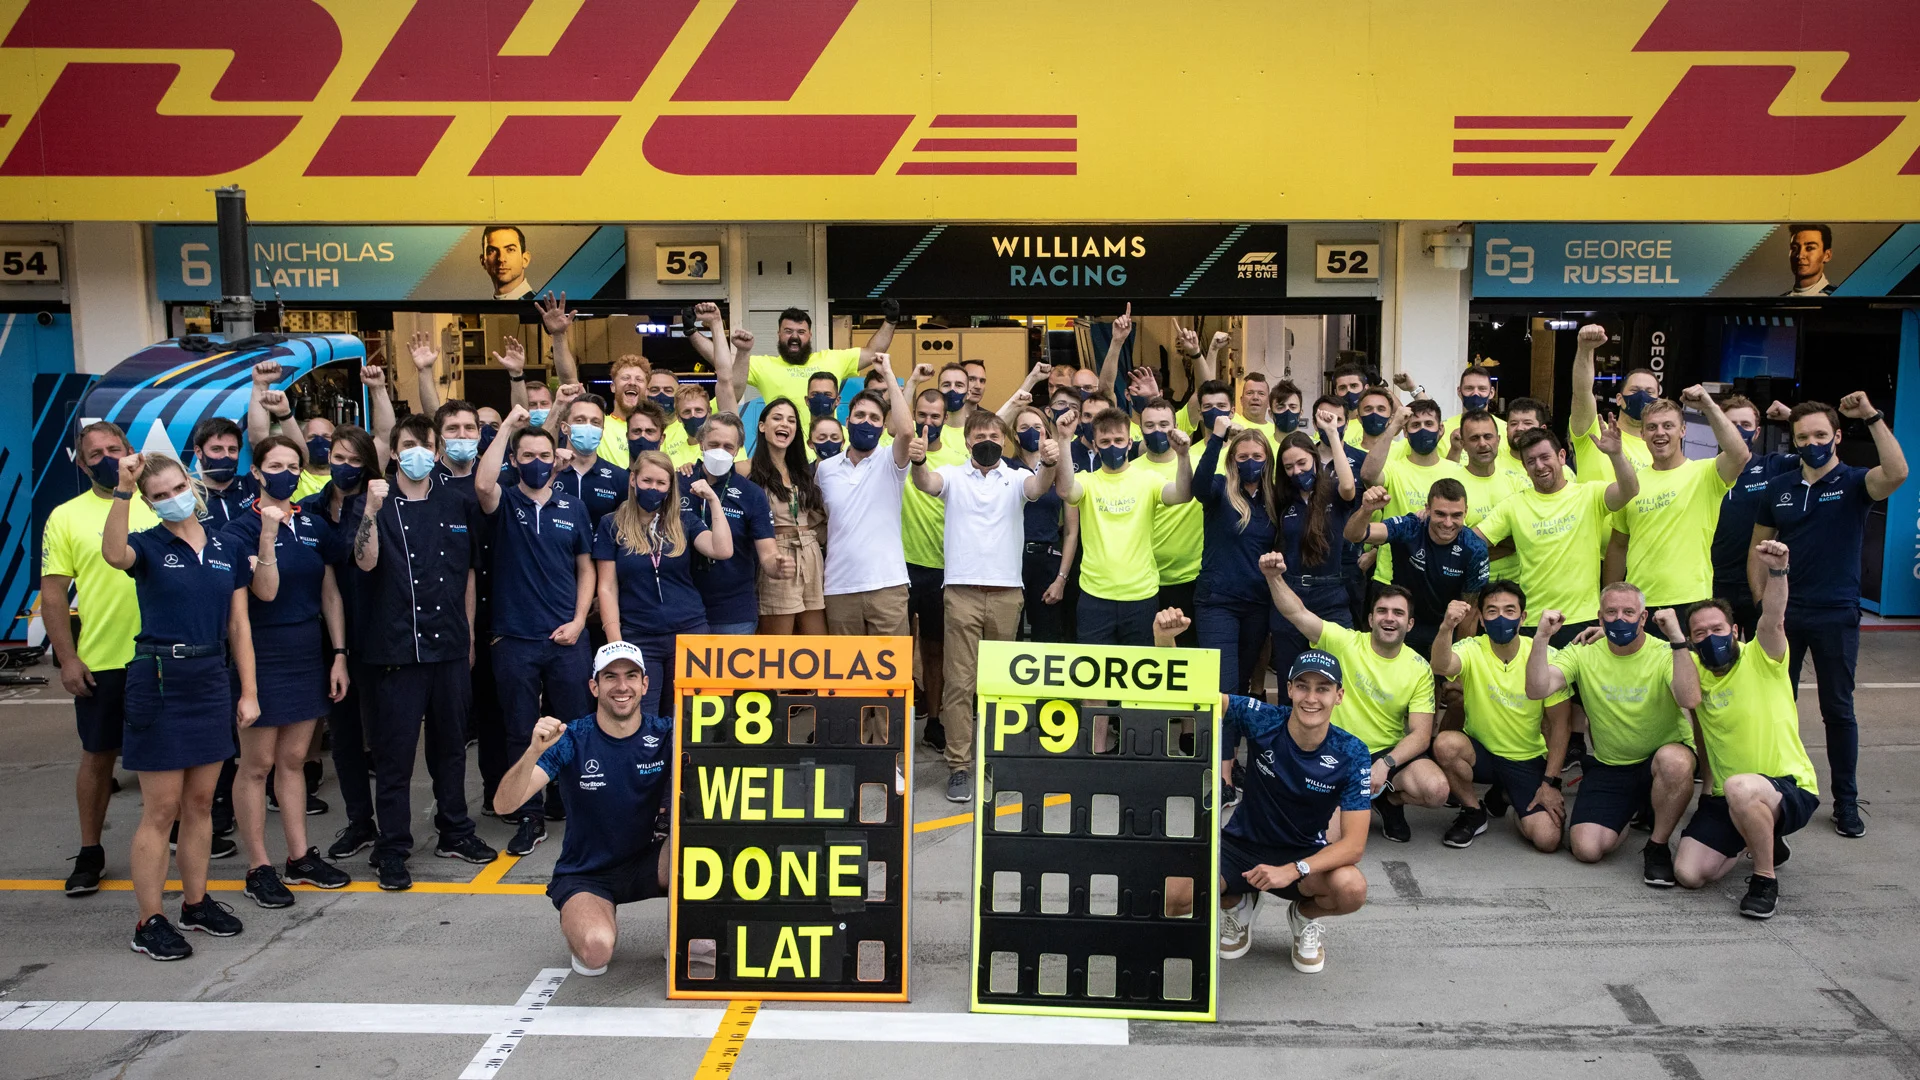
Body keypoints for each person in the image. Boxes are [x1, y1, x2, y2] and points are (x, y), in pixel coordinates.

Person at [103, 452, 256, 959]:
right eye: (159, 496)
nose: (171, 500)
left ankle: (196, 902)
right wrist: (124, 492)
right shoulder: (146, 545)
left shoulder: (225, 545)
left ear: (190, 483)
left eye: (175, 489)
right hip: (161, 677)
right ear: (148, 502)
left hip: (211, 679)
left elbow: (239, 624)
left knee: (199, 804)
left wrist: (249, 692)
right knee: (161, 809)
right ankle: (149, 920)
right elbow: (112, 555)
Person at [1160, 608, 1368, 972]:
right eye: (1302, 686)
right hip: (1242, 847)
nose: (1311, 698)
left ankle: (1303, 916)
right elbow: (1195, 696)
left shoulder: (1352, 752)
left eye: (1323, 688)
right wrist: (1165, 640)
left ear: (1339, 696)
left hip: (1304, 858)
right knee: (1175, 895)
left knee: (1351, 888)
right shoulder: (1262, 718)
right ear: (1288, 689)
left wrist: (1294, 869)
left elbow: (1354, 845)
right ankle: (1237, 903)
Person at [1749, 393, 1907, 838]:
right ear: (1793, 442)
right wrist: (1763, 605)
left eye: (1821, 434)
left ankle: (1847, 803)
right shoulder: (1779, 488)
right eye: (1803, 437)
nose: (1812, 442)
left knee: (1838, 710)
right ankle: (1777, 789)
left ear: (1837, 437)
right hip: (1785, 614)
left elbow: (1897, 472)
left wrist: (1872, 417)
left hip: (1836, 613)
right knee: (1775, 706)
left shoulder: (1856, 482)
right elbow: (1756, 548)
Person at [352, 415, 498, 891]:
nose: (416, 451)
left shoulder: (456, 503)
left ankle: (454, 830)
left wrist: (470, 636)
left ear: (436, 453)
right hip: (395, 649)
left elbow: (470, 574)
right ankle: (391, 847)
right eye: (407, 444)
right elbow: (364, 561)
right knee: (395, 756)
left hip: (451, 646)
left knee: (451, 748)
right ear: (394, 452)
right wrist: (370, 512)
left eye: (425, 445)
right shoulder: (374, 503)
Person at [216, 435, 355, 909]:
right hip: (261, 654)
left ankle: (299, 856)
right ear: (256, 472)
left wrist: (338, 653)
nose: (286, 473)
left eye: (294, 465)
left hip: (306, 654)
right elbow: (264, 594)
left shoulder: (313, 525)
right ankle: (259, 866)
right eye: (275, 465)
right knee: (255, 766)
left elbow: (330, 592)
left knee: (295, 761)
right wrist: (268, 536)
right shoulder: (238, 531)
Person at [494, 641, 671, 978]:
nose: (622, 686)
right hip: (587, 872)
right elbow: (504, 804)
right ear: (594, 686)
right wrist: (532, 752)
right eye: (610, 677)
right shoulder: (571, 739)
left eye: (631, 676)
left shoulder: (664, 733)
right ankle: (589, 920)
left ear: (645, 684)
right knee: (596, 953)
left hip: (647, 862)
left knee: (695, 839)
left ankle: (682, 937)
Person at [912, 408, 1057, 802]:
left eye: (995, 434)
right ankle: (959, 766)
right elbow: (925, 482)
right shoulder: (954, 476)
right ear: (968, 440)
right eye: (980, 435)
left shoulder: (1016, 477)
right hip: (961, 592)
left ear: (1004, 439)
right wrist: (919, 459)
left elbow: (1039, 487)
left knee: (1002, 685)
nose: (988, 440)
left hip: (1008, 592)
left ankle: (997, 759)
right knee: (960, 684)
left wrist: (1048, 462)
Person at [1670, 541, 1821, 918]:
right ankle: (1760, 835)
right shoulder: (1695, 670)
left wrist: (1778, 570)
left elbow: (1773, 615)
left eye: (1717, 629)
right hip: (1726, 795)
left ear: (1735, 629)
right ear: (1690, 641)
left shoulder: (1762, 655)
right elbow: (1688, 704)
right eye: (1700, 634)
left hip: (1786, 786)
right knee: (1689, 873)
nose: (1710, 638)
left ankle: (1764, 878)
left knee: (1742, 786)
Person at [44, 423, 160, 896]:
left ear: (131, 452)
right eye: (96, 453)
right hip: (103, 659)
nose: (107, 458)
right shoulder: (65, 516)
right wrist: (68, 660)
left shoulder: (157, 500)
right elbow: (53, 598)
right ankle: (91, 850)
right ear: (81, 462)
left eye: (115, 449)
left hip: (161, 654)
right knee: (98, 758)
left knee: (163, 756)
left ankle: (164, 834)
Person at [474, 409, 596, 857]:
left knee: (575, 724)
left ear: (555, 459)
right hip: (515, 638)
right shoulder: (505, 500)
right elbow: (483, 485)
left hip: (567, 637)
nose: (538, 461)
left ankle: (572, 805)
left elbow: (586, 568)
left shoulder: (573, 507)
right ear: (514, 459)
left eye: (545, 454)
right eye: (528, 455)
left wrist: (581, 619)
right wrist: (508, 425)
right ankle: (529, 816)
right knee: (521, 729)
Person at [1262, 553, 1447, 842]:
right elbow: (1297, 613)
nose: (1389, 618)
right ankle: (1348, 801)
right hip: (1337, 752)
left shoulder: (1419, 668)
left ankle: (1389, 801)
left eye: (1398, 613)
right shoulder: (1345, 641)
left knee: (1435, 789)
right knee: (1330, 839)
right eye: (1382, 611)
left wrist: (1385, 765)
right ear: (1371, 618)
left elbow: (1421, 735)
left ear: (1409, 624)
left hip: (1383, 755)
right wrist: (1273, 576)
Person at [1525, 585, 1695, 885]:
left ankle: (1657, 846)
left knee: (1675, 762)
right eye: (1612, 613)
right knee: (1585, 848)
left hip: (1658, 762)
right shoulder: (1583, 651)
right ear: (1599, 618)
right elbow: (1537, 689)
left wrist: (1677, 639)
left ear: (1643, 618)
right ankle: (1631, 811)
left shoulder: (1663, 652)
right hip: (1611, 764)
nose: (1620, 619)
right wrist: (1541, 638)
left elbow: (1689, 698)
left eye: (1629, 613)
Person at [297, 426, 384, 863]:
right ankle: (360, 822)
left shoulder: (377, 504)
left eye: (354, 460)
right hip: (328, 639)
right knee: (345, 735)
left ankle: (392, 825)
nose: (344, 466)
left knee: (384, 737)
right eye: (338, 457)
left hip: (377, 635)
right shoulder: (309, 508)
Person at [1429, 585, 1570, 852]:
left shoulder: (1546, 656)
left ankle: (1508, 795)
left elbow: (1560, 724)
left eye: (1509, 610)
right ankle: (1473, 811)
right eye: (1492, 612)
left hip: (1527, 759)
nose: (1501, 618)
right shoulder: (1472, 647)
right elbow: (1441, 665)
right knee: (1445, 744)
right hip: (1482, 753)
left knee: (1548, 839)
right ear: (1481, 619)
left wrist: (1551, 783)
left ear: (1523, 617)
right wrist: (1447, 627)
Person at [594, 449, 732, 717]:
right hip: (639, 636)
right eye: (647, 481)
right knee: (640, 717)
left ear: (670, 488)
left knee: (687, 716)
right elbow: (607, 587)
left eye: (661, 483)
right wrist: (617, 644)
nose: (653, 489)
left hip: (689, 633)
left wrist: (714, 500)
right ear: (633, 480)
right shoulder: (611, 524)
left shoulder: (684, 520)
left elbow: (722, 549)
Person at [1473, 425, 1638, 646]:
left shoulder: (1589, 494)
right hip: (1534, 622)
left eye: (1545, 457)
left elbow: (1630, 490)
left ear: (1561, 456)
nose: (1539, 466)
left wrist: (1616, 455)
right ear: (1524, 467)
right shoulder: (1513, 505)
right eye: (1531, 461)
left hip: (1583, 620)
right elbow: (1471, 542)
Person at [1604, 386, 1749, 621]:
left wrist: (1709, 406)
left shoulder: (1705, 473)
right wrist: (1610, 603)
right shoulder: (1631, 484)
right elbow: (1619, 545)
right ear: (1642, 434)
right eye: (1651, 427)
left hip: (1691, 602)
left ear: (1683, 430)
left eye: (1668, 426)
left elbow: (1740, 454)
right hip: (1640, 605)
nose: (1659, 433)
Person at [1055, 410, 1192, 646]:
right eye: (1105, 442)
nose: (1113, 446)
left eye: (1119, 441)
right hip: (1094, 597)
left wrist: (1183, 456)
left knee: (1141, 675)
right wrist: (1064, 439)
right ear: (1096, 447)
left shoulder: (1148, 479)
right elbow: (1067, 491)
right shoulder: (1087, 481)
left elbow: (1182, 494)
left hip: (1141, 596)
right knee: (1091, 674)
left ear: (1130, 442)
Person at [819, 357, 915, 636]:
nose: (866, 422)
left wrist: (888, 370)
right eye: (860, 416)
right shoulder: (825, 470)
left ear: (884, 426)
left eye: (875, 418)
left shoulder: (891, 460)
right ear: (846, 420)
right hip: (839, 588)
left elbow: (907, 430)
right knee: (846, 678)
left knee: (889, 678)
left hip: (887, 586)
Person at [1344, 478, 1489, 657]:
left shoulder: (1474, 548)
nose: (1448, 523)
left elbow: (1470, 611)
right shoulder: (1410, 527)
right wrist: (1366, 510)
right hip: (1403, 625)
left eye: (1456, 515)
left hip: (1445, 629)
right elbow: (1353, 534)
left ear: (1466, 512)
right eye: (1440, 514)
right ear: (1427, 509)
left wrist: (1458, 661)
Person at [1191, 426, 1277, 694]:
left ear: (1267, 461)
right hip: (1218, 603)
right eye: (1242, 457)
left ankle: (1230, 736)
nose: (1250, 462)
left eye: (1257, 456)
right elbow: (1199, 486)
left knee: (1241, 683)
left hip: (1258, 604)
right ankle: (1219, 738)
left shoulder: (1274, 498)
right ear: (1232, 461)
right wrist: (1216, 437)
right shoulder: (1219, 488)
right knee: (1222, 687)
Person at [1268, 428, 1359, 680]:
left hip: (1331, 596)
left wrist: (1331, 434)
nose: (1297, 471)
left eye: (1302, 463)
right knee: (1290, 677)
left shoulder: (1334, 492)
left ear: (1314, 459)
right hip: (1291, 592)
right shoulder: (1283, 500)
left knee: (1341, 674)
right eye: (1288, 467)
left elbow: (1350, 486)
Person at [901, 381, 965, 742]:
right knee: (898, 648)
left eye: (935, 415)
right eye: (922, 414)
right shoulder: (895, 450)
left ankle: (935, 722)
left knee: (936, 650)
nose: (929, 421)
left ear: (946, 417)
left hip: (943, 567)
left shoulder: (957, 460)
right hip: (901, 565)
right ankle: (899, 721)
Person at [684, 413, 783, 635]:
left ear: (737, 450)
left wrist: (776, 566)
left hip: (734, 613)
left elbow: (767, 553)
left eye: (728, 446)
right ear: (701, 443)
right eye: (714, 444)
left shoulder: (752, 493)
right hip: (683, 610)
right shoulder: (679, 482)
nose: (720, 451)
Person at [1709, 393, 1800, 634]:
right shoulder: (1702, 472)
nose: (1738, 431)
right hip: (1712, 582)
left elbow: (1822, 459)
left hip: (1760, 581)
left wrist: (1792, 418)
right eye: (1730, 425)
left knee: (1761, 658)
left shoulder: (1774, 467)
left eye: (1746, 425)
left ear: (1757, 433)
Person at [1359, 398, 1470, 587]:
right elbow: (1368, 475)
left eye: (1429, 424)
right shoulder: (1393, 469)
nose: (1423, 430)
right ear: (1405, 432)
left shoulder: (1458, 471)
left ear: (1440, 429)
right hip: (1392, 577)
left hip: (1442, 576)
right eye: (1415, 425)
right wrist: (1394, 425)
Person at [724, 301, 901, 417]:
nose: (794, 337)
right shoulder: (762, 365)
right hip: (783, 457)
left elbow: (873, 352)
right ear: (778, 334)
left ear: (810, 335)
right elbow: (722, 362)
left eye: (801, 332)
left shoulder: (833, 359)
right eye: (788, 331)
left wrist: (891, 321)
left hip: (826, 455)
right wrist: (698, 332)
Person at [1131, 387, 1204, 644]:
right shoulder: (1129, 471)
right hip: (1144, 583)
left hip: (1190, 579)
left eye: (1164, 424)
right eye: (1149, 425)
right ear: (1140, 430)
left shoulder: (1194, 464)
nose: (1157, 430)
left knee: (1186, 655)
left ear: (1176, 426)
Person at [749, 398, 827, 635]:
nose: (785, 424)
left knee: (818, 642)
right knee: (778, 645)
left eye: (791, 420)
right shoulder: (747, 468)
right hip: (778, 553)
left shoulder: (802, 470)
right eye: (777, 418)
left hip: (811, 552)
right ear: (762, 426)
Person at [1007, 405, 1077, 643]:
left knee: (1046, 639)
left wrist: (1061, 579)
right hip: (1010, 561)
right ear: (1015, 434)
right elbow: (990, 425)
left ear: (1046, 431)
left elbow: (1070, 531)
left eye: (1037, 427)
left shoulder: (1059, 470)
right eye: (1024, 428)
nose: (1031, 432)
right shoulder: (1005, 468)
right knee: (1008, 636)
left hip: (1047, 562)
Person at [1567, 323, 1655, 484]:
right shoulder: (1595, 432)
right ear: (1619, 399)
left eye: (1649, 392)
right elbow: (1582, 392)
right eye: (1635, 390)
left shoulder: (1659, 447)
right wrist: (1585, 350)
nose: (1642, 396)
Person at [1452, 409, 1527, 584]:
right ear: (1462, 444)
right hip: (1470, 586)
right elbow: (1456, 549)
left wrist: (1476, 542)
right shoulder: (1452, 486)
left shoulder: (1518, 484)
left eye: (1488, 436)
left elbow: (1527, 538)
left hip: (1516, 586)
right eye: (1474, 438)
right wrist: (1509, 543)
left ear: (1499, 440)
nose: (1483, 443)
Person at [550, 391, 629, 528]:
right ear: (564, 428)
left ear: (602, 430)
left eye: (595, 422)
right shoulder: (550, 472)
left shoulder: (620, 478)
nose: (588, 426)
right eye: (580, 420)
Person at [187, 417, 257, 528]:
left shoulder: (253, 484)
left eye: (232, 450)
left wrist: (284, 414)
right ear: (199, 452)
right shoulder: (189, 498)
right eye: (216, 449)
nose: (226, 455)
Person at [482, 225, 535, 300]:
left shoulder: (544, 308)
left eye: (510, 249)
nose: (501, 259)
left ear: (525, 259)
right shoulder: (481, 309)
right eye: (492, 251)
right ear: (483, 261)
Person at [1783, 223, 1836, 296]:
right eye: (1794, 248)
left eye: (1809, 248)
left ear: (1827, 255)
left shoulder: (1840, 296)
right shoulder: (1778, 302)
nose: (1800, 256)